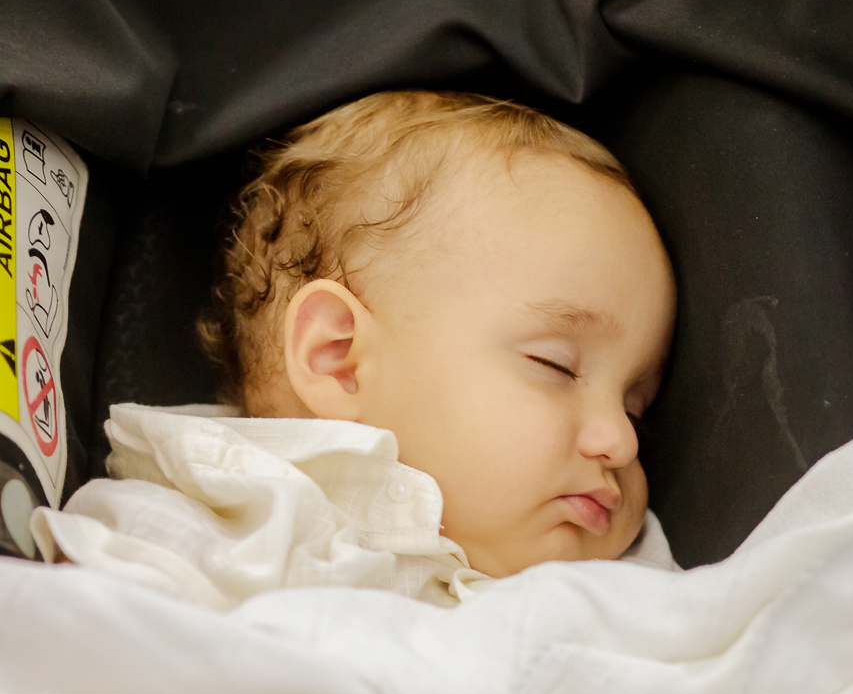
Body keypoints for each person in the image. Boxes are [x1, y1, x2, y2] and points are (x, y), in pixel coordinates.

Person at [34, 91, 679, 605]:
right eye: (556, 366)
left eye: (637, 408)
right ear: (338, 358)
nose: (621, 443)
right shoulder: (193, 532)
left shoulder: (636, 592)